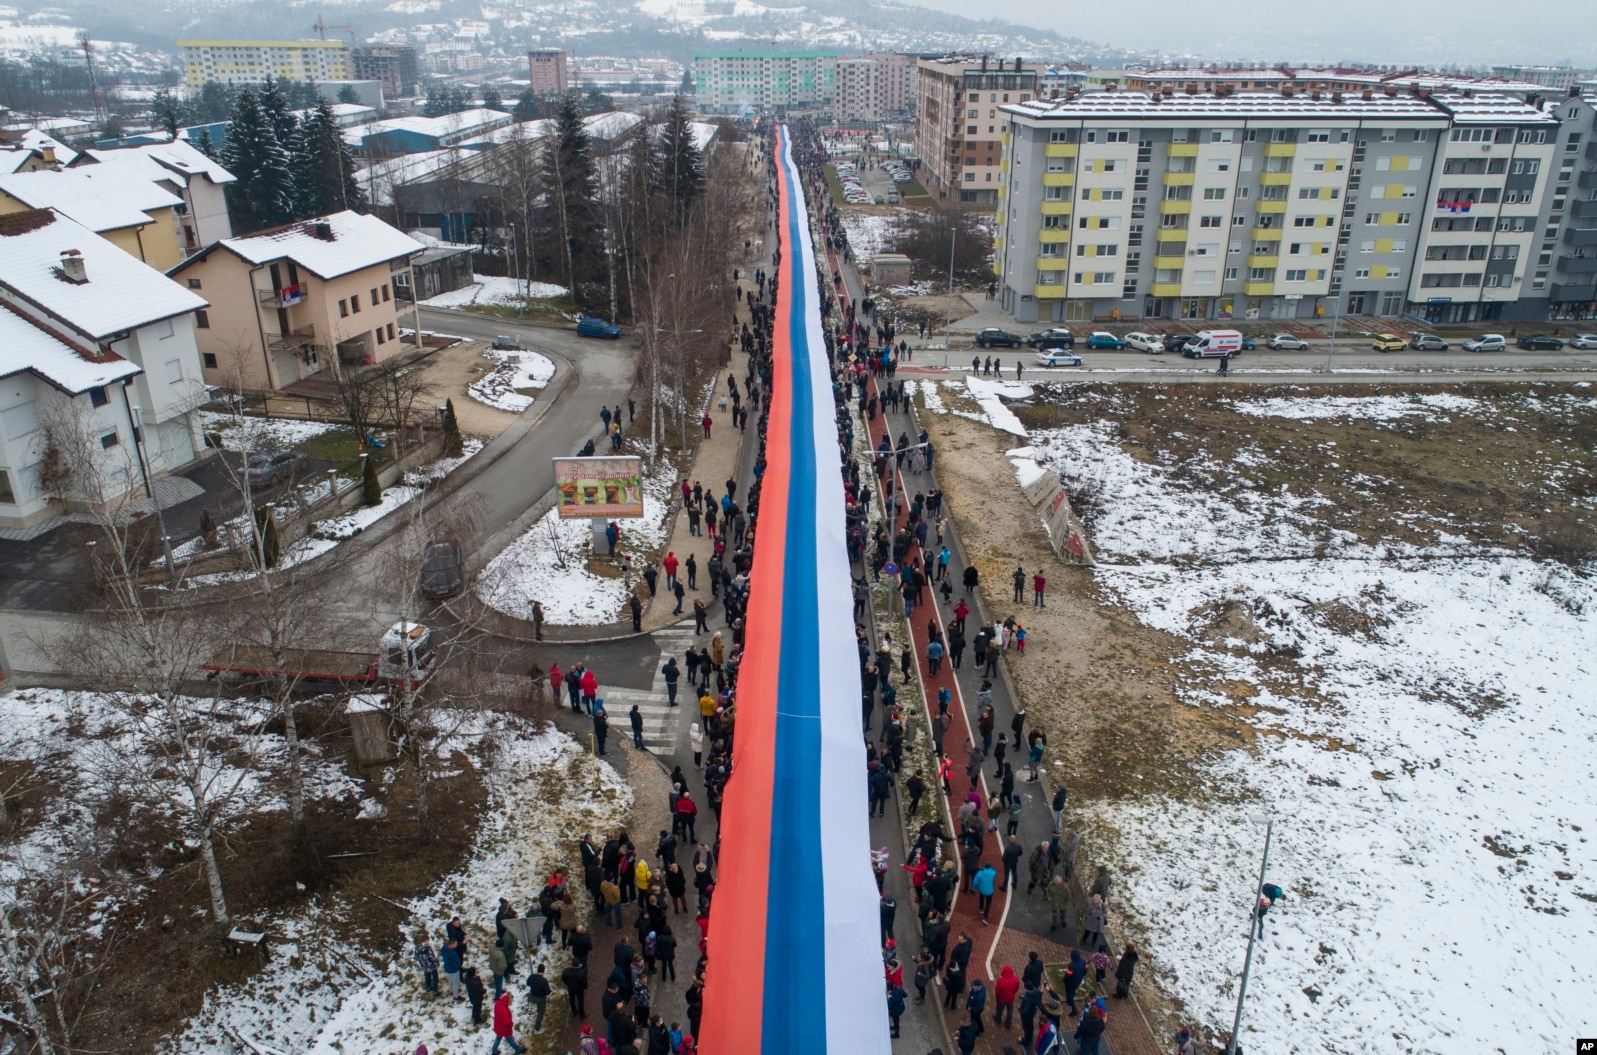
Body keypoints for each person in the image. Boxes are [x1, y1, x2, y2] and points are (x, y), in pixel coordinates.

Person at [526, 964, 550, 1033]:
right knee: (541, 1012)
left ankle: (533, 1003)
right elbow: (547, 992)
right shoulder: (544, 981)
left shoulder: (532, 976)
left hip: (532, 995)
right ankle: (537, 1028)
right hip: (540, 998)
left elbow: (527, 983)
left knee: (536, 1005)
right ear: (543, 971)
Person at [994, 964, 1020, 1028]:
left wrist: (998, 998)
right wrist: (1013, 994)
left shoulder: (1001, 981)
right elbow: (1017, 988)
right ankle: (1008, 1024)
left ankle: (998, 1019)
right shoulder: (1015, 979)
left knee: (999, 1010)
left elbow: (997, 991)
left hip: (1002, 999)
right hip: (1011, 998)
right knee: (1010, 1012)